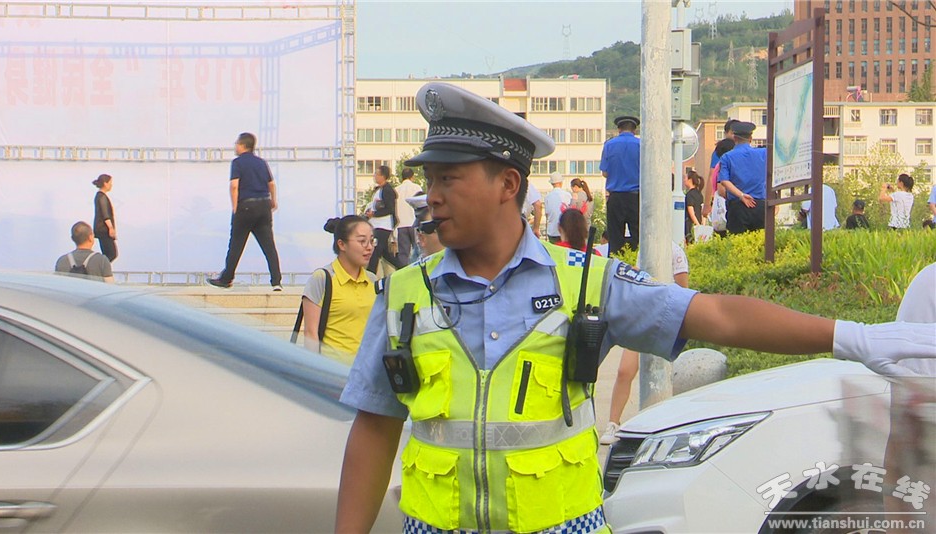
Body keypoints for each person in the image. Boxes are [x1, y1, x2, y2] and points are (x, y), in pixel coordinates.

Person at [335, 82, 934, 534]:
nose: (432, 196)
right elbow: (375, 428)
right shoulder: (405, 294)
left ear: (508, 185)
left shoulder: (587, 283)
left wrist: (850, 336)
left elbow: (716, 316)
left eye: (449, 179)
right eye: (430, 180)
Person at [600, 242, 689, 445]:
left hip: (665, 321)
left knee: (666, 376)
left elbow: (684, 290)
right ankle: (613, 423)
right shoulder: (645, 247)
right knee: (624, 371)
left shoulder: (675, 252)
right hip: (642, 316)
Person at [207, 132, 283, 290]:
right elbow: (271, 184)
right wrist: (273, 201)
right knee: (269, 245)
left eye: (236, 143)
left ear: (243, 145)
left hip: (246, 206)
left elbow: (234, 186)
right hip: (264, 206)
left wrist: (235, 206)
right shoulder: (261, 163)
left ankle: (226, 279)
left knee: (236, 245)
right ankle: (276, 281)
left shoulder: (238, 163)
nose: (235, 146)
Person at [301, 215, 378, 359]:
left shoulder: (373, 280)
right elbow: (311, 333)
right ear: (341, 244)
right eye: (362, 241)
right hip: (332, 368)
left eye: (372, 241)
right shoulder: (322, 278)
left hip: (365, 368)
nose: (369, 247)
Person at [718, 121, 767, 234]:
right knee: (760, 241)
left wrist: (741, 195)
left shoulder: (726, 157)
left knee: (737, 241)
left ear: (734, 138)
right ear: (750, 138)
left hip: (737, 206)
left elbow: (724, 181)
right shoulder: (764, 153)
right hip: (760, 205)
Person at [601, 115, 641, 254]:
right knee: (638, 237)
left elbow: (605, 172)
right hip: (636, 197)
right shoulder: (641, 145)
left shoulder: (609, 145)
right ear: (634, 130)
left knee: (615, 239)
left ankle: (617, 264)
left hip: (616, 197)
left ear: (619, 129)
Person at [365, 165, 402, 274]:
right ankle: (403, 267)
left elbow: (389, 209)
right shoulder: (378, 190)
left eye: (377, 174)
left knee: (375, 251)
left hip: (383, 226)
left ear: (383, 176)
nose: (374, 176)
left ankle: (370, 275)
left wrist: (374, 214)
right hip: (376, 224)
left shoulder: (387, 190)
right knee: (385, 253)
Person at [394, 167, 423, 267]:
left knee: (403, 253)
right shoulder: (416, 188)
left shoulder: (396, 190)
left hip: (401, 225)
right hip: (414, 222)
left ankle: (404, 272)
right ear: (412, 177)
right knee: (418, 250)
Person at [703, 138, 735, 221]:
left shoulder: (717, 167)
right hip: (727, 206)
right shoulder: (723, 167)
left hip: (719, 205)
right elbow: (721, 189)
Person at [92, 173, 118, 262]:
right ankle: (99, 267)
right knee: (111, 254)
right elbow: (105, 214)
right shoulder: (101, 197)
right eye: (110, 183)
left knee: (108, 254)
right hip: (104, 230)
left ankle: (101, 267)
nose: (111, 185)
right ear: (105, 183)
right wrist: (110, 227)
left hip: (101, 230)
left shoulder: (100, 196)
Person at [543, 172, 572, 243]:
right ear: (561, 183)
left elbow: (547, 214)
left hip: (552, 231)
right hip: (566, 230)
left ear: (551, 184)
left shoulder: (548, 197)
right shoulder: (568, 195)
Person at [684, 170, 705, 244]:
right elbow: (702, 211)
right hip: (699, 222)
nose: (684, 180)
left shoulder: (689, 195)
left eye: (685, 178)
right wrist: (702, 225)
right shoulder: (700, 194)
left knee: (690, 243)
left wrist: (697, 225)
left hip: (691, 225)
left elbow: (691, 212)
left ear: (690, 180)